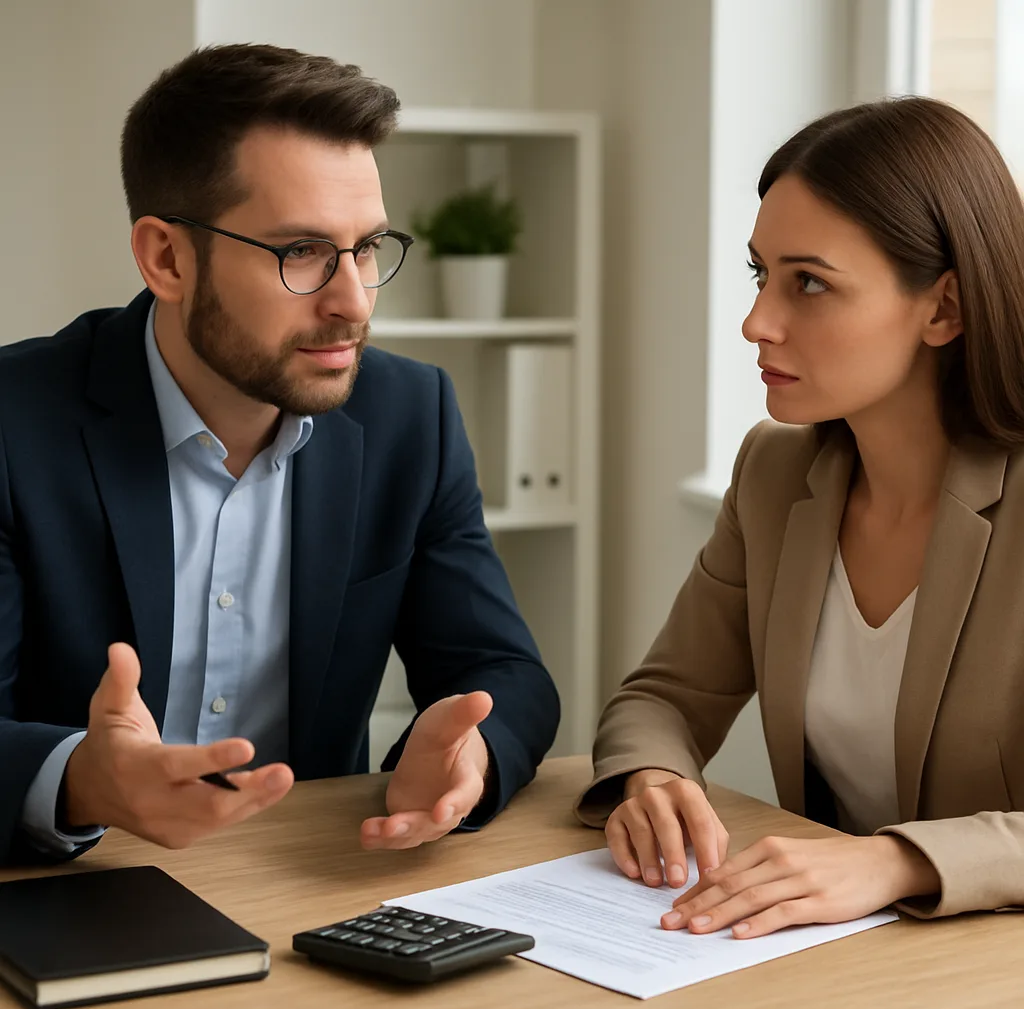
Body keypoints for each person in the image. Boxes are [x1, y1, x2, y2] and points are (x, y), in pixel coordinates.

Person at [0, 43, 559, 867]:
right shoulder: (16, 422)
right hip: (67, 884)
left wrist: (462, 758)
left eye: (367, 248)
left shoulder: (413, 416)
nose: (352, 302)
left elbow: (502, 669)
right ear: (167, 258)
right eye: (301, 252)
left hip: (307, 880)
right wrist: (83, 779)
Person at [575, 96, 1024, 936]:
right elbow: (665, 696)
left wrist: (897, 861)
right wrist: (655, 782)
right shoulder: (776, 473)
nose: (756, 322)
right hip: (829, 960)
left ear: (944, 309)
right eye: (761, 275)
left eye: (809, 283)